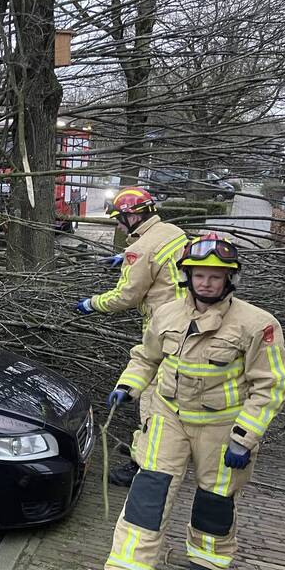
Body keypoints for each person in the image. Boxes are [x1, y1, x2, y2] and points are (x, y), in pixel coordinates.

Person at [102, 234, 285, 570]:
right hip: (168, 417)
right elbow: (147, 357)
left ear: (229, 280)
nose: (205, 283)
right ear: (187, 276)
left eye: (215, 277)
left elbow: (270, 386)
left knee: (215, 497)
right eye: (199, 275)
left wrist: (245, 436)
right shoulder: (167, 312)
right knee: (149, 491)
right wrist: (128, 386)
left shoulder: (257, 324)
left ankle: (209, 558)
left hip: (222, 427)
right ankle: (128, 568)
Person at [75, 187, 188, 487]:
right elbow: (155, 253)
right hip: (186, 321)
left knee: (151, 398)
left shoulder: (142, 249)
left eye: (120, 219)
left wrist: (91, 304)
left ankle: (143, 463)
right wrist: (124, 256)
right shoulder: (172, 231)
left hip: (163, 328)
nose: (118, 225)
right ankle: (151, 446)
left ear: (135, 215)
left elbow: (126, 296)